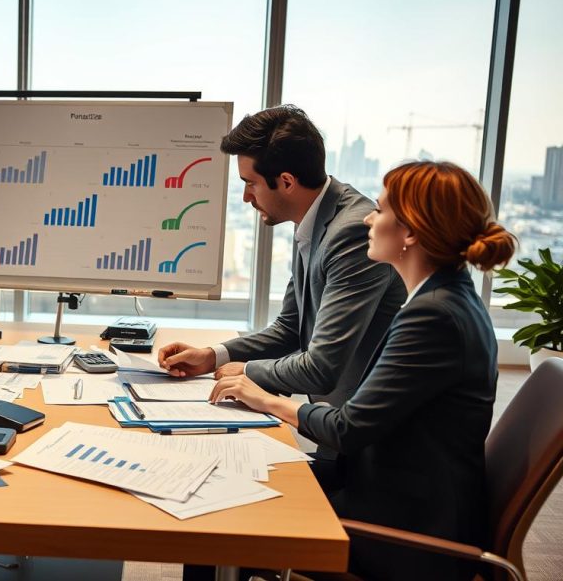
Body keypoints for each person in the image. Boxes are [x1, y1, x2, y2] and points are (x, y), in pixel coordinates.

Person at [211, 161, 516, 580]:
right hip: (395, 490)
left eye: (383, 210)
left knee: (216, 524)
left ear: (410, 232)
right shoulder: (444, 298)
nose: (370, 217)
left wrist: (264, 399)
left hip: (403, 530)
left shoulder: (434, 316)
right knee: (232, 479)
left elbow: (347, 428)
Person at [158, 105, 406, 466]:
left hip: (367, 457)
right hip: (336, 433)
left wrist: (245, 372)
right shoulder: (314, 219)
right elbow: (291, 329)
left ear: (287, 182)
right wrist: (213, 356)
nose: (246, 197)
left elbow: (322, 367)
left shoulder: (349, 233)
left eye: (250, 183)